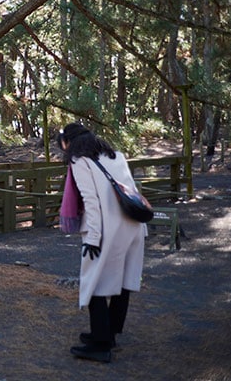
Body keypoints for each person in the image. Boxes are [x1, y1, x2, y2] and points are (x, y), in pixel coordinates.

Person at [58, 122, 146, 363]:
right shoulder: (116, 156)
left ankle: (100, 344)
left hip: (108, 229)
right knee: (122, 281)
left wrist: (93, 238)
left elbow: (91, 201)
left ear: (69, 142)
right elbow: (131, 191)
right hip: (133, 225)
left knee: (94, 283)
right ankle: (109, 333)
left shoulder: (79, 161)